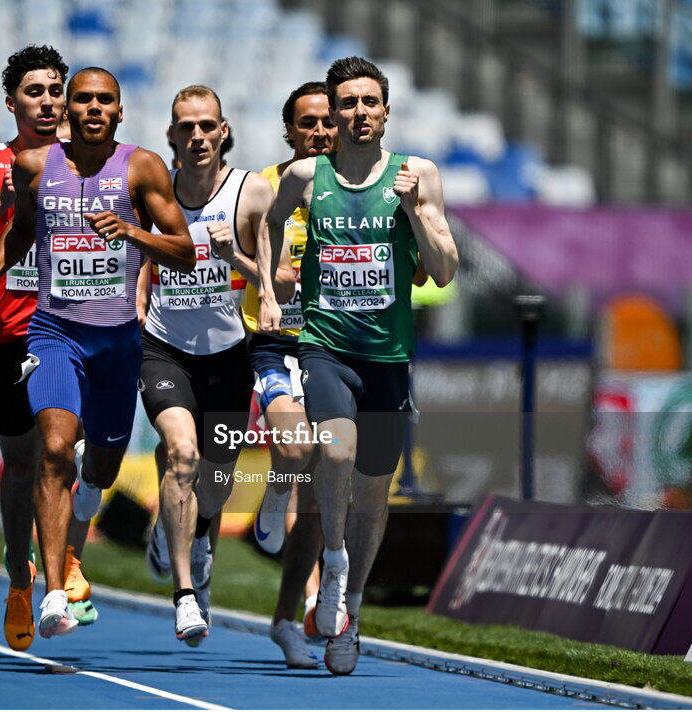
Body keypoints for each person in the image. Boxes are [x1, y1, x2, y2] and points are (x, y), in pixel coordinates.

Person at [0, 66, 194, 639]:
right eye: (83, 100)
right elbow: (20, 232)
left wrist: (132, 233)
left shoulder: (142, 167)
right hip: (53, 332)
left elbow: (185, 252)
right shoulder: (35, 166)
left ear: (120, 112)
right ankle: (53, 593)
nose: (93, 108)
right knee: (53, 449)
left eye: (105, 101)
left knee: (103, 465)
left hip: (117, 341)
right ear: (68, 110)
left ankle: (80, 524)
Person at [257, 56, 459, 675]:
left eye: (370, 102)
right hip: (325, 348)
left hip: (389, 360)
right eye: (348, 103)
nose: (359, 113)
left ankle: (352, 609)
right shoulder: (304, 177)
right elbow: (264, 225)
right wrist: (267, 290)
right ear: (336, 111)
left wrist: (415, 218)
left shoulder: (415, 174)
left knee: (374, 496)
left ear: (386, 111)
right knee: (335, 452)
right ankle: (335, 558)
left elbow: (445, 270)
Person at [0, 45, 100, 651]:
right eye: (36, 91)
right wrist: (1, 213)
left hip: (76, 326)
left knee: (75, 448)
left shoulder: (92, 160)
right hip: (10, 331)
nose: (50, 101)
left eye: (56, 89)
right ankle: (17, 576)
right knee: (22, 464)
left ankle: (66, 562)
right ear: (13, 103)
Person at [138, 85, 282, 645]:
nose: (198, 136)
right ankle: (185, 595)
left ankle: (182, 531)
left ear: (223, 131)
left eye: (207, 126)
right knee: (182, 453)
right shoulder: (155, 194)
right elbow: (139, 265)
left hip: (228, 355)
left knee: (215, 488)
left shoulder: (251, 193)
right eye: (186, 127)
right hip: (165, 348)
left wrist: (233, 259)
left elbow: (273, 279)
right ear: (172, 136)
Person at [240, 81, 337, 669]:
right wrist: (271, 273)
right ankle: (276, 491)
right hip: (274, 345)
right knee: (299, 455)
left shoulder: (359, 190)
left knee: (326, 497)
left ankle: (286, 618)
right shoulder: (263, 187)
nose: (321, 131)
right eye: (308, 122)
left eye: (328, 120)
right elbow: (237, 259)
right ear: (289, 131)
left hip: (335, 348)